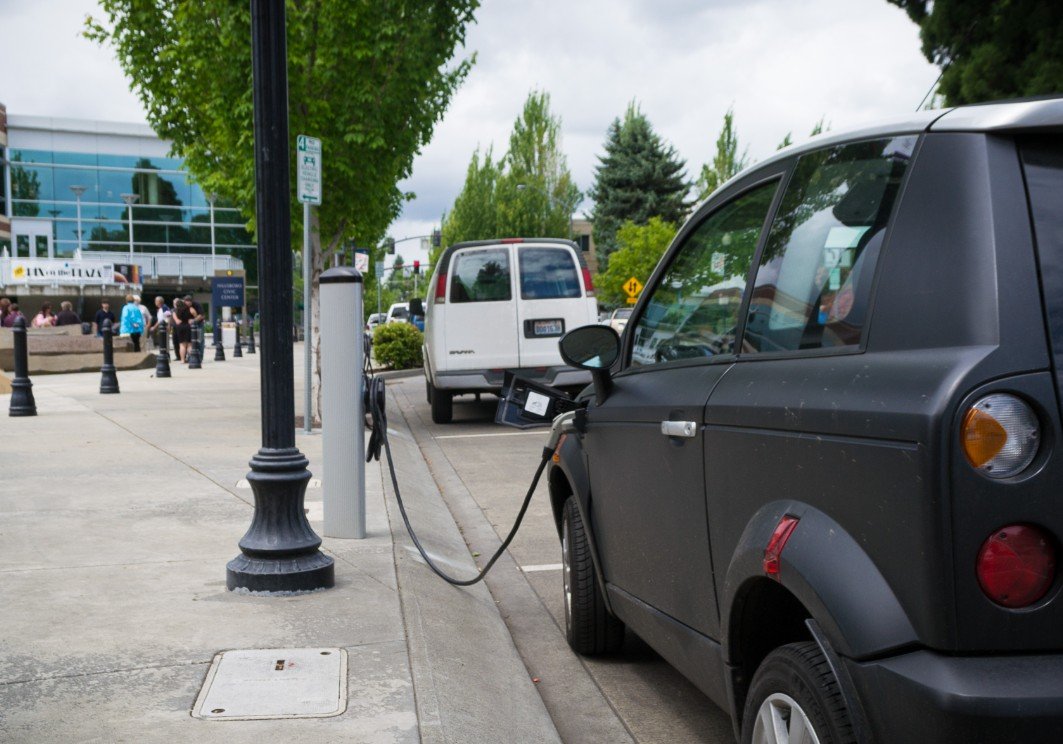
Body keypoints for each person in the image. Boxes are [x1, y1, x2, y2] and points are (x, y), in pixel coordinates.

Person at [172, 298, 193, 362]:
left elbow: (176, 321)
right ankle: (191, 359)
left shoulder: (175, 311)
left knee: (182, 345)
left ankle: (182, 360)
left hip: (180, 327)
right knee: (189, 344)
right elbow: (191, 318)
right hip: (187, 326)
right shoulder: (188, 309)